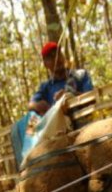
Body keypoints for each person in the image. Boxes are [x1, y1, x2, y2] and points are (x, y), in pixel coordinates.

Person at [11, 41, 93, 170]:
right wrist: (41, 107)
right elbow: (31, 105)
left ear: (63, 56)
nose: (56, 59)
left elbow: (90, 96)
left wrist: (69, 96)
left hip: (81, 125)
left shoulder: (80, 75)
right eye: (51, 57)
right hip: (57, 134)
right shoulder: (46, 87)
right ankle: (28, 161)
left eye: (58, 54)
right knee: (28, 120)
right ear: (45, 64)